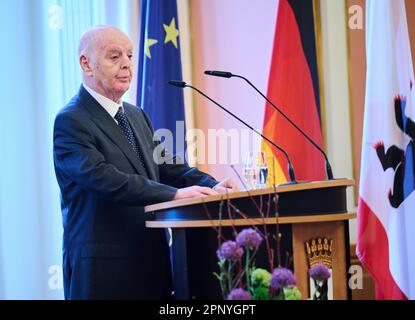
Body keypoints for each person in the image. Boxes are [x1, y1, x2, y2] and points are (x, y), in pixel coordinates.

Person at [53, 26, 238, 300]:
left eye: (129, 55)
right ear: (86, 64)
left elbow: (166, 167)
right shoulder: (71, 120)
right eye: (114, 57)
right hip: (104, 271)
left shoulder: (136, 115)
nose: (127, 64)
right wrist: (174, 195)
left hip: (151, 262)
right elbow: (104, 178)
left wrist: (212, 186)